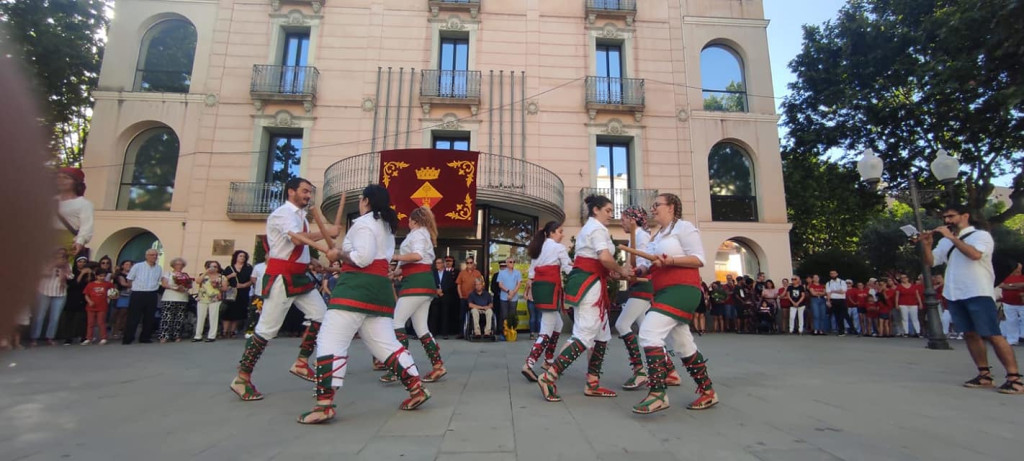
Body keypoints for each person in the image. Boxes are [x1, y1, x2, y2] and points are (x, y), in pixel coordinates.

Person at [298, 184, 430, 424]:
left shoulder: (364, 224)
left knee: (330, 339)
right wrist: (339, 260)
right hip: (378, 290)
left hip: (357, 288)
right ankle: (416, 388)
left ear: (367, 201)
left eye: (361, 199)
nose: (359, 202)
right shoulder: (386, 226)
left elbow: (362, 258)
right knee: (385, 344)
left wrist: (340, 255)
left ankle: (324, 403)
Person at [231, 177, 333, 401]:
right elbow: (297, 240)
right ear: (291, 192)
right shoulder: (282, 214)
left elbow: (296, 249)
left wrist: (312, 263)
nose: (308, 196)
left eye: (309, 192)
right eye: (304, 191)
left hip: (299, 276)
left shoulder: (300, 217)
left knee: (321, 315)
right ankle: (242, 378)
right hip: (281, 278)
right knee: (267, 329)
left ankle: (301, 362)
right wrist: (327, 233)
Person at [919, 204, 1022, 394]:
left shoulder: (980, 236)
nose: (947, 220)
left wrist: (951, 238)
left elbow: (975, 254)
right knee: (970, 334)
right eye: (945, 217)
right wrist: (926, 244)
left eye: (951, 216)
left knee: (992, 334)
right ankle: (984, 375)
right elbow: (931, 262)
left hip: (978, 291)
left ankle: (1014, 378)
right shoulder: (945, 242)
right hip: (955, 293)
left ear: (965, 216)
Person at [536, 194, 630, 402]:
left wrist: (611, 271)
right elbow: (604, 257)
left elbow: (597, 260)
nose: (610, 214)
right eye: (607, 210)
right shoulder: (596, 228)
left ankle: (592, 382)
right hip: (591, 286)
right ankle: (549, 377)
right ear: (595, 210)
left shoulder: (591, 228)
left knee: (601, 334)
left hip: (590, 281)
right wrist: (621, 270)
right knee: (586, 333)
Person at [632, 193, 718, 413]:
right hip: (663, 292)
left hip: (683, 290)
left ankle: (658, 393)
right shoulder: (656, 236)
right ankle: (708, 392)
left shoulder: (684, 228)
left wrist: (670, 261)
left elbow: (699, 259)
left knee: (649, 332)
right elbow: (649, 266)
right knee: (682, 344)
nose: (653, 209)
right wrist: (636, 271)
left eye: (656, 205)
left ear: (671, 207)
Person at [380, 206, 447, 384]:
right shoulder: (424, 234)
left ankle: (401, 368)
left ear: (414, 221)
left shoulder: (417, 234)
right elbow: (417, 259)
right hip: (423, 283)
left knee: (397, 322)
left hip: (415, 284)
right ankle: (437, 365)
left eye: (409, 220)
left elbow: (416, 256)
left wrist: (394, 257)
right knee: (421, 328)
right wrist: (395, 273)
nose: (407, 223)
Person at [521, 221, 573, 382]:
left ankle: (548, 361)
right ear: (551, 233)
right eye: (559, 231)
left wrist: (528, 290)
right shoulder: (558, 248)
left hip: (540, 291)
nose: (562, 234)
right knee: (547, 329)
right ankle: (529, 364)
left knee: (558, 324)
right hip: (551, 291)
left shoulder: (538, 248)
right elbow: (568, 268)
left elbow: (531, 273)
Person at [31, 248, 73, 347]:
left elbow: (71, 276)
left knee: (54, 317)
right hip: (44, 291)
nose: (61, 257)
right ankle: (34, 338)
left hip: (60, 293)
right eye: (59, 254)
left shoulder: (67, 265)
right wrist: (54, 265)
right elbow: (43, 273)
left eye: (63, 255)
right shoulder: (46, 263)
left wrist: (65, 270)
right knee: (40, 316)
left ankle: (50, 337)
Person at [122, 249, 163, 344]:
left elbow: (159, 280)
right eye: (152, 255)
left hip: (152, 293)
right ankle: (128, 338)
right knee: (133, 317)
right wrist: (134, 288)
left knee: (149, 317)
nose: (154, 257)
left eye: (156, 255)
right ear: (147, 256)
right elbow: (130, 279)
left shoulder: (159, 268)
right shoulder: (138, 266)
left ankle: (145, 337)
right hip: (138, 293)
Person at [53, 167, 94, 261]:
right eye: (59, 177)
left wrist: (80, 241)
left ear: (76, 182)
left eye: (66, 178)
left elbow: (86, 226)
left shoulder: (84, 204)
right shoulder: (51, 200)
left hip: (66, 241)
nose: (61, 181)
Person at [222, 250, 254, 339]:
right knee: (228, 312)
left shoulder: (248, 268)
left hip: (243, 292)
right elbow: (223, 279)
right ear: (236, 257)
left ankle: (233, 331)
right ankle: (225, 331)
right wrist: (230, 276)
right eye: (240, 256)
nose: (242, 258)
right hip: (231, 292)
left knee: (238, 312)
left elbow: (252, 279)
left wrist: (244, 285)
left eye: (244, 256)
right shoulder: (229, 268)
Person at [194, 261, 227, 342]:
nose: (213, 268)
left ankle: (211, 336)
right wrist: (206, 272)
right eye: (211, 266)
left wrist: (218, 286)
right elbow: (198, 281)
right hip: (202, 298)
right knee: (201, 317)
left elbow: (225, 288)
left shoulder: (222, 277)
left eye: (215, 266)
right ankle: (198, 336)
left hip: (215, 298)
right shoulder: (204, 275)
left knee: (213, 317)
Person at [160, 258, 192, 343]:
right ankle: (164, 336)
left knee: (179, 317)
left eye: (181, 264)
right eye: (177, 264)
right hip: (169, 297)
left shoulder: (185, 275)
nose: (179, 266)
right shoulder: (168, 273)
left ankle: (176, 335)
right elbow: (164, 284)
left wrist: (184, 287)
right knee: (167, 317)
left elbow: (189, 285)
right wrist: (175, 288)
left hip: (182, 298)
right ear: (173, 265)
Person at [82, 269, 114, 345]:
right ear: (96, 276)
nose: (102, 278)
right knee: (90, 323)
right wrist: (89, 301)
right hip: (91, 306)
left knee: (101, 322)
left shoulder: (108, 284)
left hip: (102, 306)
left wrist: (111, 297)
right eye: (100, 276)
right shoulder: (90, 284)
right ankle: (89, 338)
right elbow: (86, 294)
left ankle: (103, 337)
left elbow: (113, 292)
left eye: (104, 276)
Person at [455, 257, 482, 339]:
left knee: (475, 314)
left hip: (475, 298)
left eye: (471, 262)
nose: (469, 264)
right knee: (462, 316)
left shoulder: (477, 273)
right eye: (467, 263)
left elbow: (480, 284)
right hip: (464, 297)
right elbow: (458, 285)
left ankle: (474, 331)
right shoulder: (462, 273)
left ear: (473, 263)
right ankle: (461, 333)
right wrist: (460, 296)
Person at [496, 256, 522, 341]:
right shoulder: (502, 273)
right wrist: (508, 291)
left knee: (512, 315)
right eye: (510, 262)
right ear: (507, 263)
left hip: (513, 297)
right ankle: (503, 333)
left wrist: (513, 293)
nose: (512, 263)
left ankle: (512, 332)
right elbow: (500, 284)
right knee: (504, 315)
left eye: (513, 262)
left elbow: (518, 284)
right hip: (504, 297)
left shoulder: (517, 273)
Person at [997, 263, 1023, 346]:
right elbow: (1001, 285)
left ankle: (1021, 336)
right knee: (1011, 321)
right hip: (1008, 302)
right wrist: (1017, 286)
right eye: (1017, 268)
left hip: (1021, 303)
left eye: (1019, 268)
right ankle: (1012, 340)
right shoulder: (1005, 276)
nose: (1018, 269)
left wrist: (1009, 286)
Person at [826, 270, 854, 335]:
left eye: (834, 273)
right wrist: (828, 301)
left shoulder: (842, 282)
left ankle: (852, 328)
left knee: (844, 315)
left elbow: (843, 291)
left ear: (837, 274)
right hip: (833, 300)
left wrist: (833, 291)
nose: (833, 275)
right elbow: (828, 293)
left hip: (841, 300)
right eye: (831, 274)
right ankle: (841, 330)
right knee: (837, 316)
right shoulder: (829, 283)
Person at [111, 261, 132, 340]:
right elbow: (124, 284)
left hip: (131, 295)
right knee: (121, 313)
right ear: (122, 266)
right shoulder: (120, 275)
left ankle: (124, 330)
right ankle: (115, 331)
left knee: (128, 314)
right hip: (122, 295)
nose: (128, 266)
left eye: (130, 264)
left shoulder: (133, 274)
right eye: (126, 264)